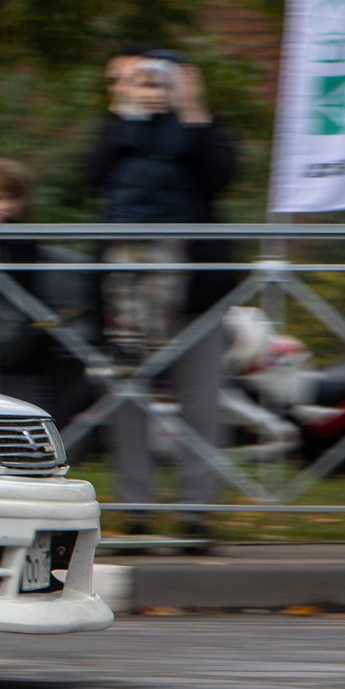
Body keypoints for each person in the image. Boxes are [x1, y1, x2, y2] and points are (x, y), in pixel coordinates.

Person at [79, 49, 238, 543]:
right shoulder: (119, 130)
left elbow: (222, 177)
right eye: (144, 81)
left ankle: (197, 514)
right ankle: (136, 508)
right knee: (127, 395)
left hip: (196, 287)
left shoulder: (199, 129)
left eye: (164, 81)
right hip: (126, 286)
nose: (155, 90)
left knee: (201, 401)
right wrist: (119, 109)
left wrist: (196, 113)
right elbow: (90, 173)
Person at [0, 155, 96, 424]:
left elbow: (26, 290)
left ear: (18, 202)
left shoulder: (25, 241)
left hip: (23, 343)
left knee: (75, 368)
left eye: (1, 198)